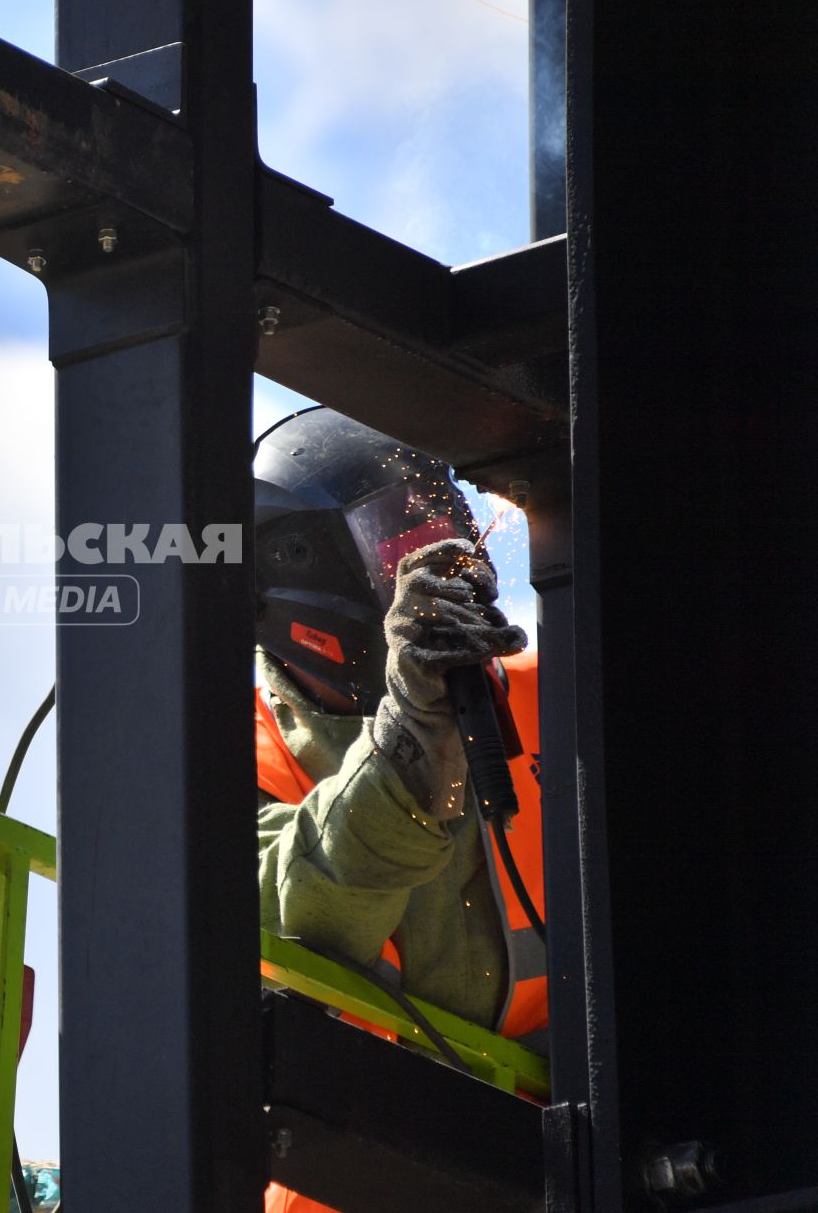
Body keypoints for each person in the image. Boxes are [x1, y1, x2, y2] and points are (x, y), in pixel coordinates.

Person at [250, 408, 544, 1213]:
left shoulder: (550, 694)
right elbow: (303, 908)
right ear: (299, 570)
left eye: (440, 531)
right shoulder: (202, 758)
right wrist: (413, 739)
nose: (428, 570)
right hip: (352, 1179)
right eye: (394, 547)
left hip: (560, 1155)